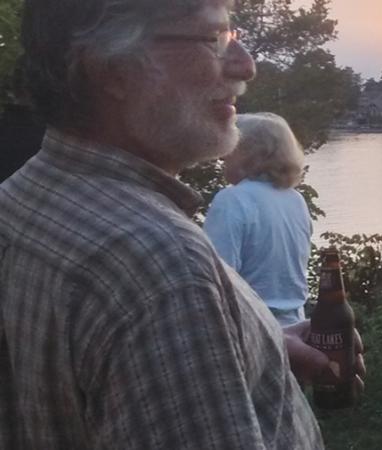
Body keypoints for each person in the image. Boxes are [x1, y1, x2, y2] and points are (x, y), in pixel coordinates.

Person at [0, 0, 361, 448]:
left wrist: (254, 341)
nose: (245, 67)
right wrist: (186, 316)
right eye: (213, 39)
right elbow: (152, 295)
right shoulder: (162, 267)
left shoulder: (21, 198)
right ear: (114, 69)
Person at [205, 112, 312, 326]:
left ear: (250, 154)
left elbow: (214, 279)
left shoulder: (233, 199)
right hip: (297, 326)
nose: (223, 156)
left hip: (252, 329)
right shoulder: (295, 200)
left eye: (231, 147)